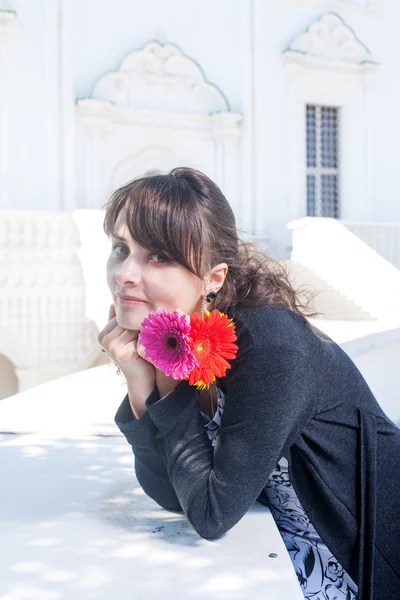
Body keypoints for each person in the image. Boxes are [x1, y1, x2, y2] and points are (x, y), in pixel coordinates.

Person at [98, 167, 400, 600]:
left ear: (213, 278)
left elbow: (211, 515)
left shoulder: (270, 348)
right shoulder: (176, 341)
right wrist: (140, 383)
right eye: (120, 248)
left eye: (158, 256)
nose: (124, 273)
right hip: (290, 555)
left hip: (363, 563)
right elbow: (170, 493)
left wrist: (164, 386)